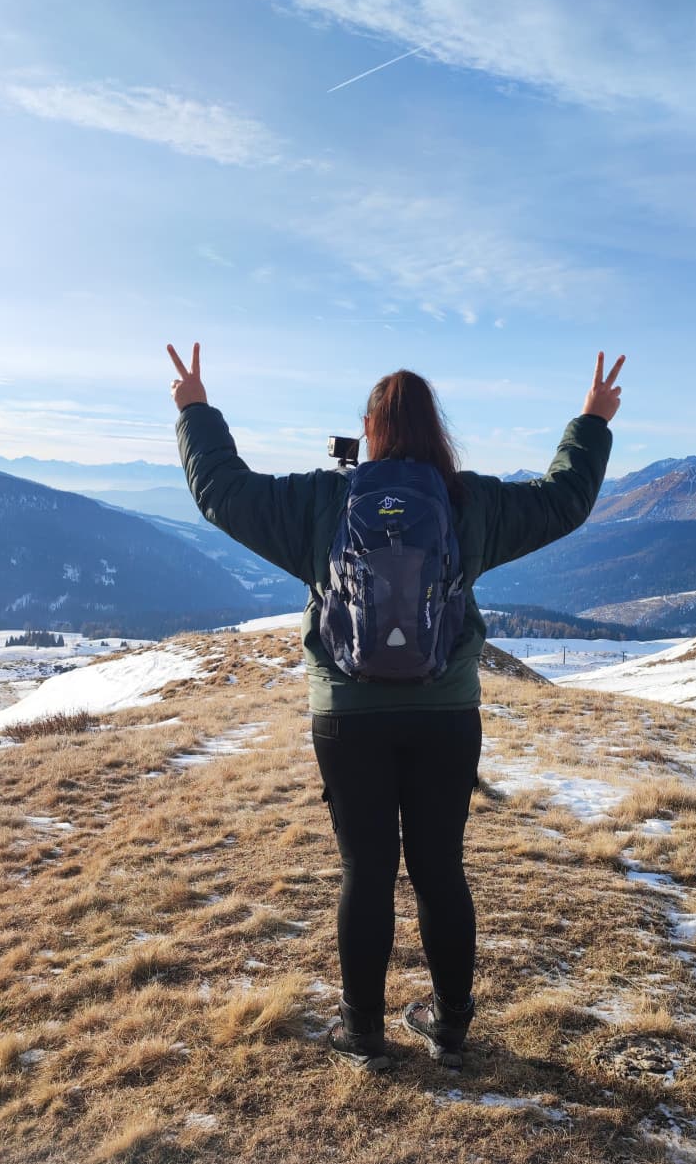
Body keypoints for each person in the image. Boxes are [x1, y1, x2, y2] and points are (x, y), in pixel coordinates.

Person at [168, 343, 624, 1072]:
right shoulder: (467, 500)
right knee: (440, 867)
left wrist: (195, 408)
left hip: (347, 715)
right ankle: (448, 1027)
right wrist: (592, 421)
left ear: (369, 430)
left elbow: (224, 492)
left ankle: (363, 1033)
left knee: (366, 869)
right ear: (434, 430)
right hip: (446, 712)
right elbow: (562, 500)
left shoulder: (323, 501)